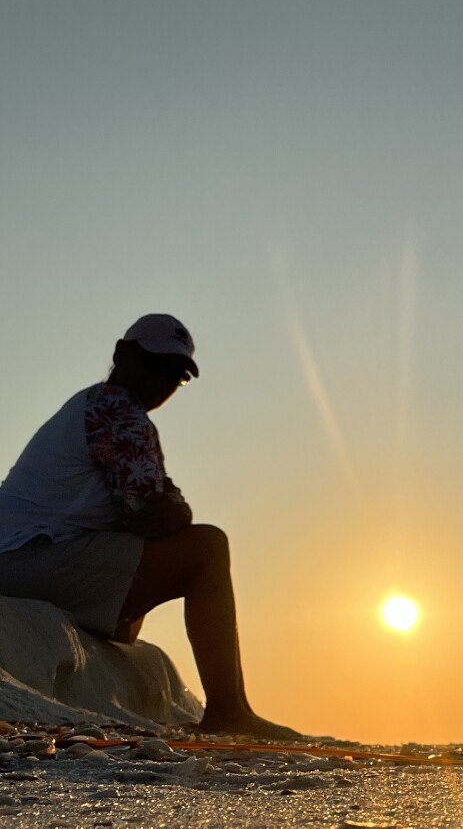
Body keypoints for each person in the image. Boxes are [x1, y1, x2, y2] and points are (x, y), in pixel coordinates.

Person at [0, 314, 299, 739]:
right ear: (122, 354)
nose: (164, 382)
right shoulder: (117, 407)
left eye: (177, 376)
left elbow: (154, 507)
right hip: (25, 556)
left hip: (25, 554)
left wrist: (172, 508)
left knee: (132, 617)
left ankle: (231, 708)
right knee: (208, 547)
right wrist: (177, 509)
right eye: (157, 365)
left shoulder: (94, 406)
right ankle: (229, 709)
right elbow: (150, 514)